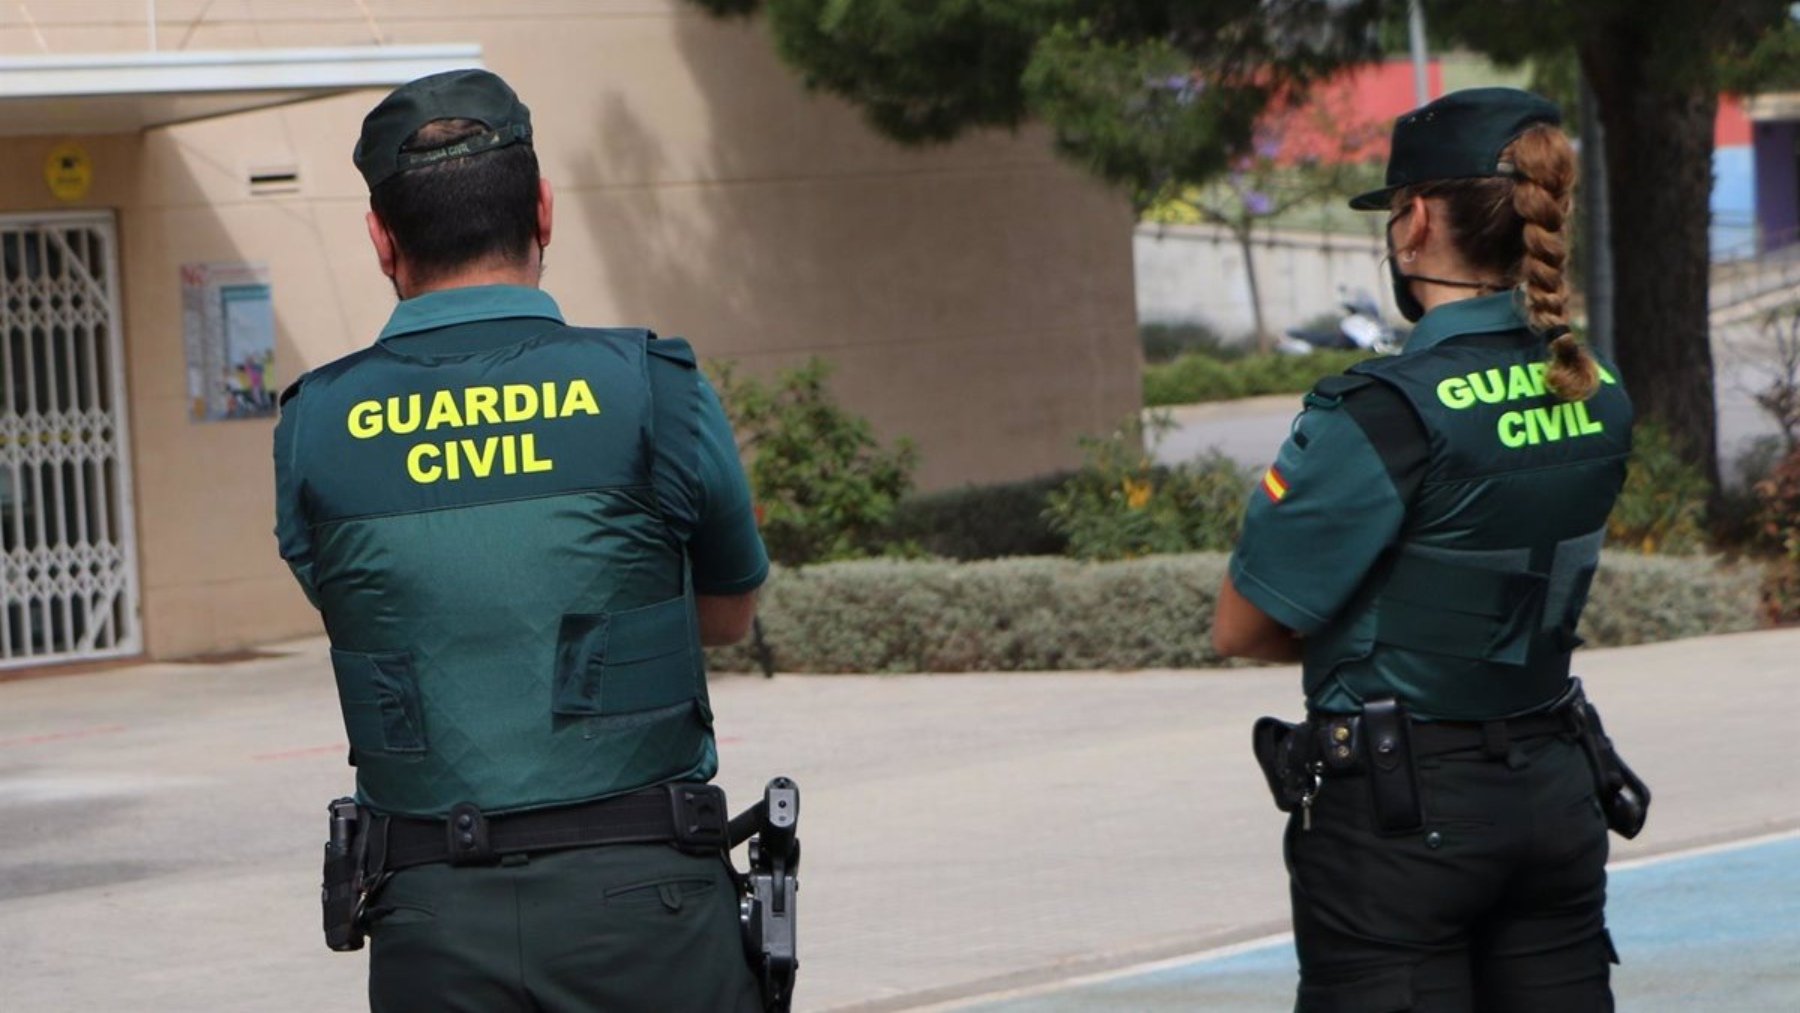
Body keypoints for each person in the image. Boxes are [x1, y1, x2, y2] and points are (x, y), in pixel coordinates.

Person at [273, 68, 770, 1012]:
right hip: (647, 911)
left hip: (431, 921)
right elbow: (730, 611)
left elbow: (383, 607)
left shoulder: (315, 426)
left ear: (381, 238)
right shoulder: (652, 387)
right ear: (545, 209)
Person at [1213, 87, 1648, 1012]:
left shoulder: (1383, 411)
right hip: (1554, 793)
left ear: (1412, 223)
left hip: (1402, 823)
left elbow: (1244, 624)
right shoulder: (1596, 387)